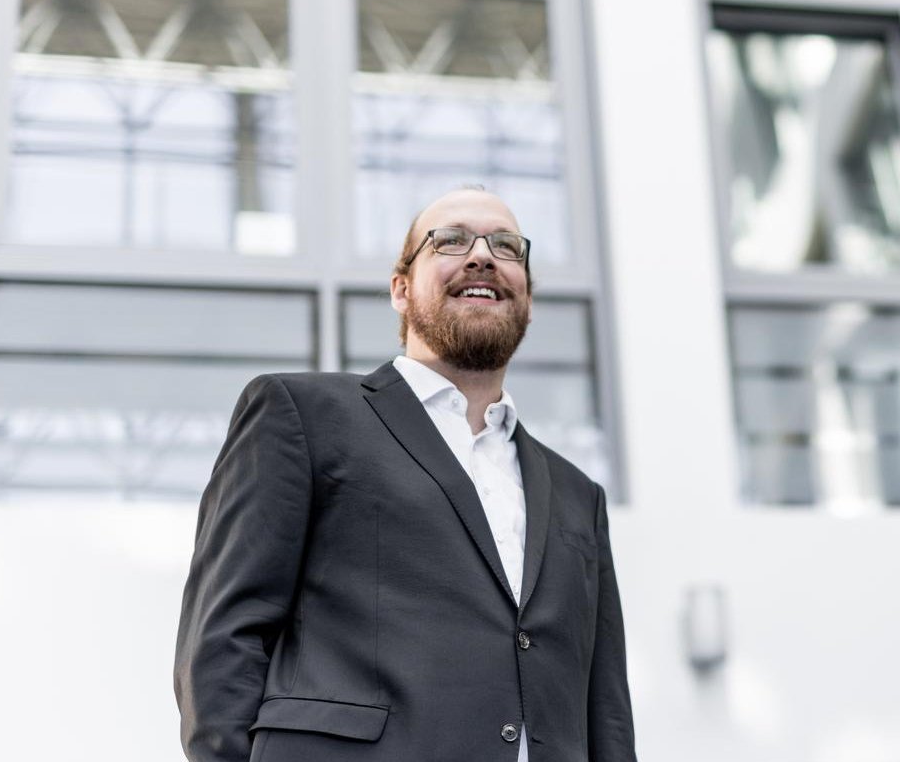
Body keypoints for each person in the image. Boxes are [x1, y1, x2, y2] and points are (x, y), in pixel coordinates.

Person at [176, 187, 634, 762]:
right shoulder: (302, 415)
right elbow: (222, 643)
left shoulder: (577, 495)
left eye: (507, 246)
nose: (482, 255)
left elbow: (606, 709)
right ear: (400, 289)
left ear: (528, 299)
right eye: (451, 240)